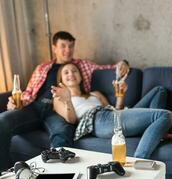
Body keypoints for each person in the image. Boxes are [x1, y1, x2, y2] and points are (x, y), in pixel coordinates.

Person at [0, 31, 129, 171]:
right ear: (54, 47)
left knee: (62, 133)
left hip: (58, 110)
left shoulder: (81, 65)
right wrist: (15, 103)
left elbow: (111, 69)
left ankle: (60, 176)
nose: (68, 50)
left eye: (71, 46)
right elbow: (29, 92)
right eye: (63, 46)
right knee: (3, 120)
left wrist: (123, 63)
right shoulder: (43, 68)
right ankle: (3, 172)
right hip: (35, 107)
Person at [51, 63, 172, 158]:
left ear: (81, 76)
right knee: (166, 116)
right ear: (61, 80)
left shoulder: (95, 94)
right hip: (98, 121)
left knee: (159, 90)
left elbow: (116, 111)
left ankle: (154, 130)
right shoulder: (60, 98)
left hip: (112, 115)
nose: (71, 74)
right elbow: (71, 120)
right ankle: (140, 159)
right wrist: (67, 99)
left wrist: (120, 97)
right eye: (66, 72)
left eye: (74, 71)